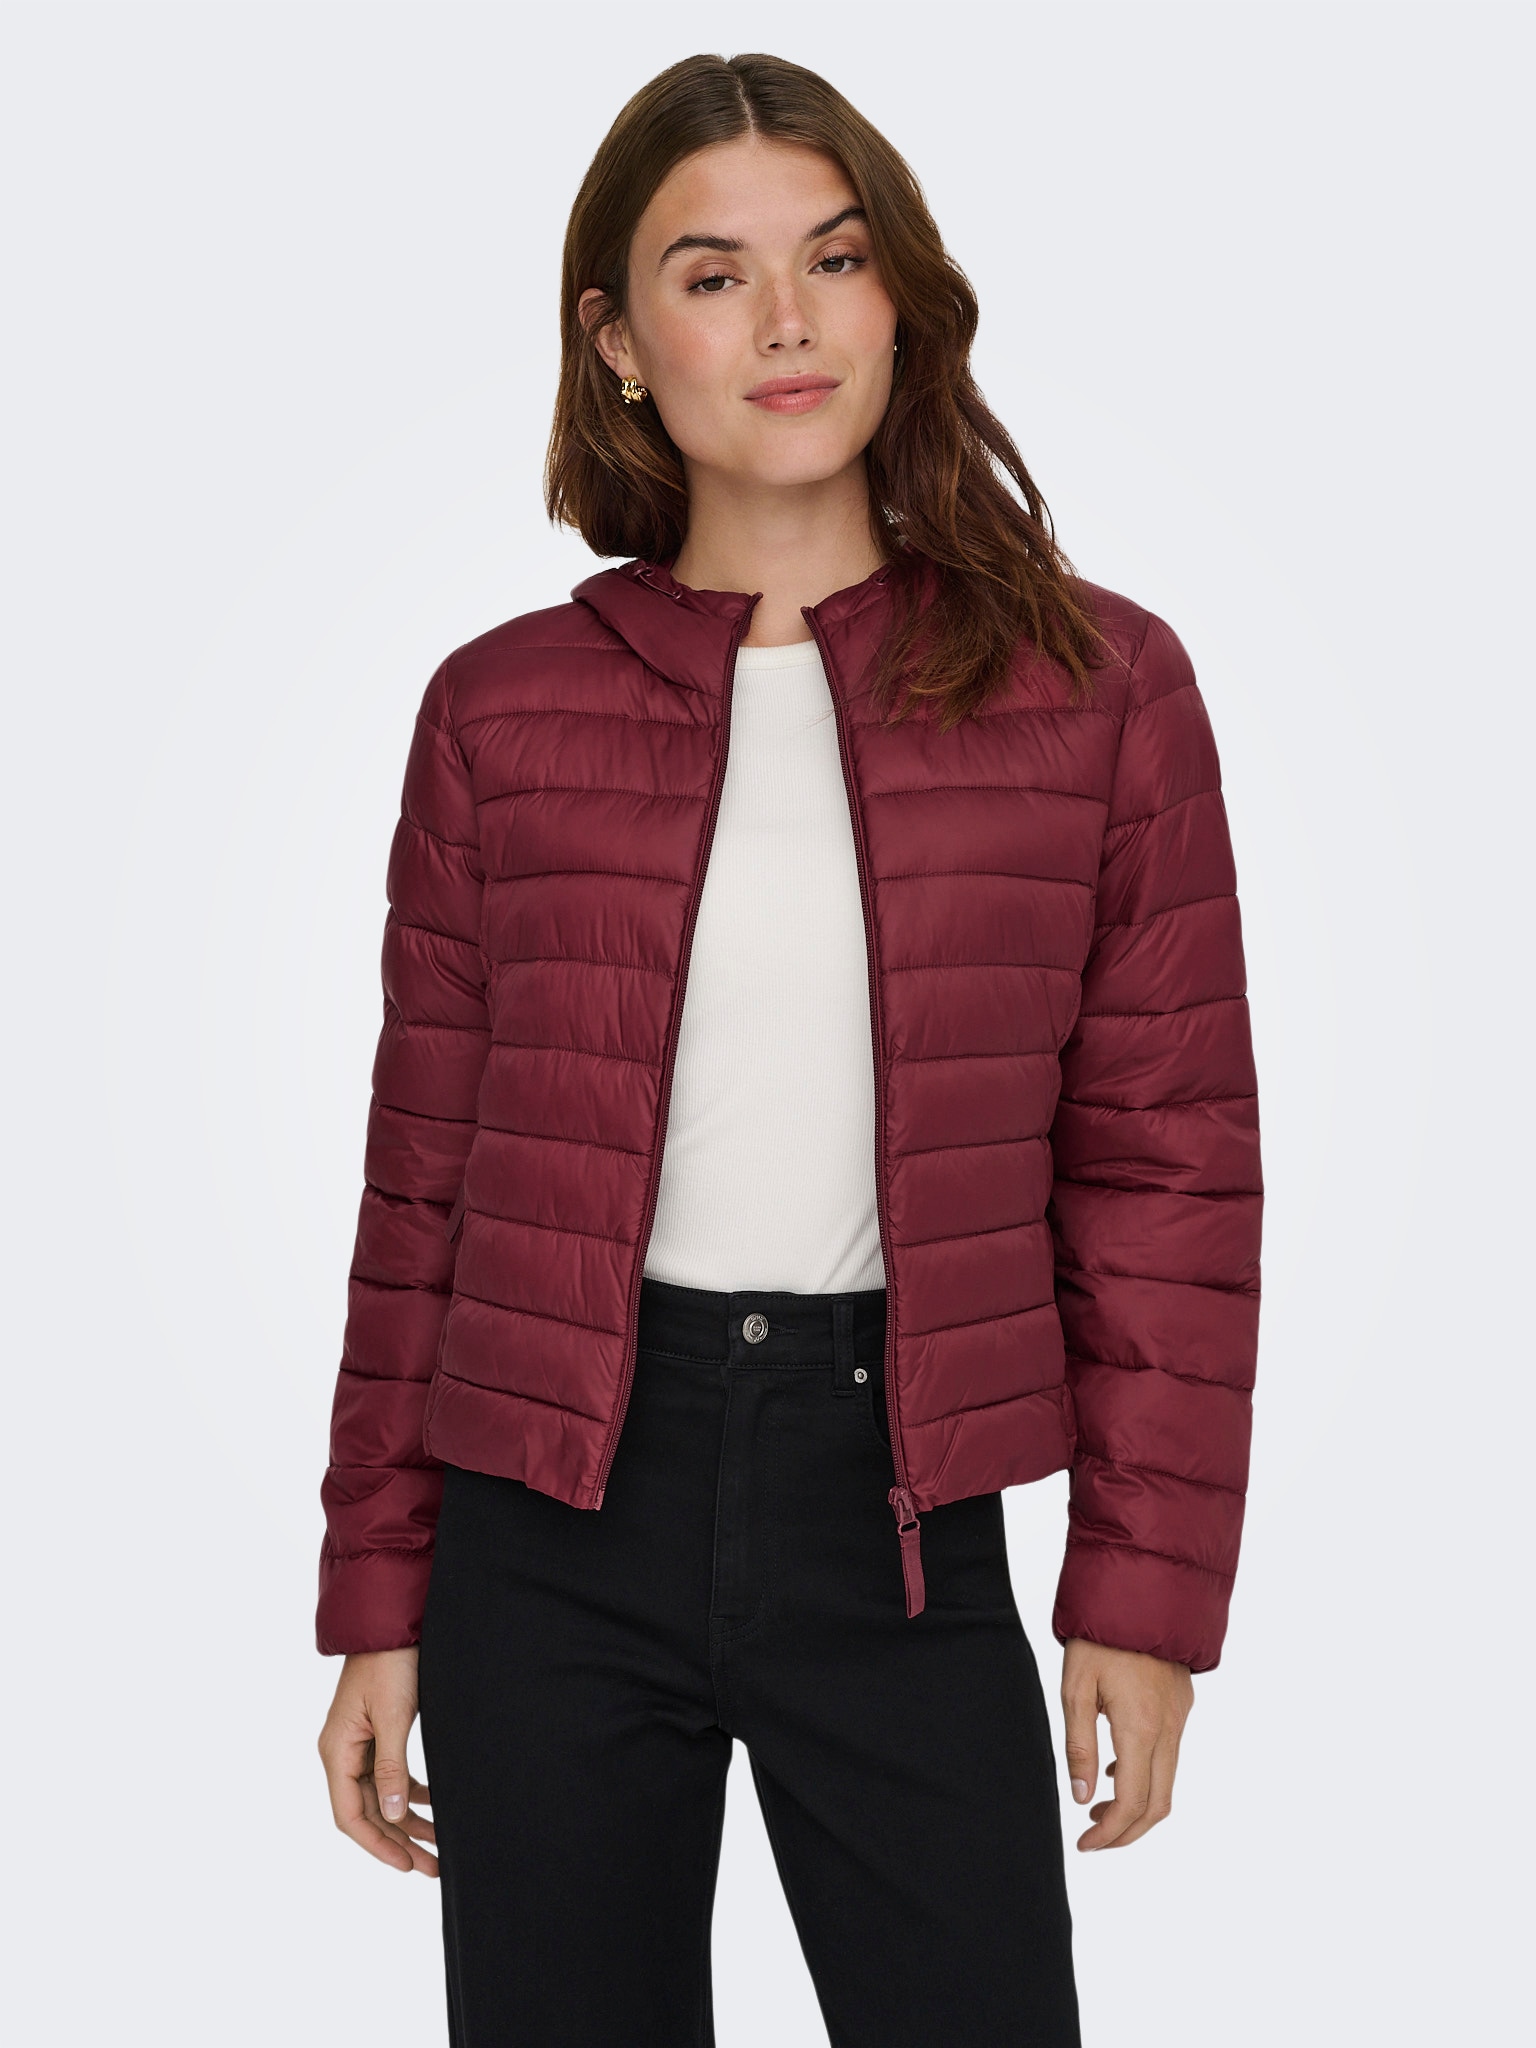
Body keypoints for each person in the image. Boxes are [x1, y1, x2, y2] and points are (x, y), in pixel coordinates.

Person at [315, 49, 1262, 2048]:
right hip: (549, 1519)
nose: (786, 321)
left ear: (899, 297)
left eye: (832, 258)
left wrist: (1143, 1591)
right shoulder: (499, 713)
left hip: (898, 1507)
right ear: (618, 342)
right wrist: (379, 1598)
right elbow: (426, 1188)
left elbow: (1168, 1165)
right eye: (712, 273)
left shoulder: (1096, 688)